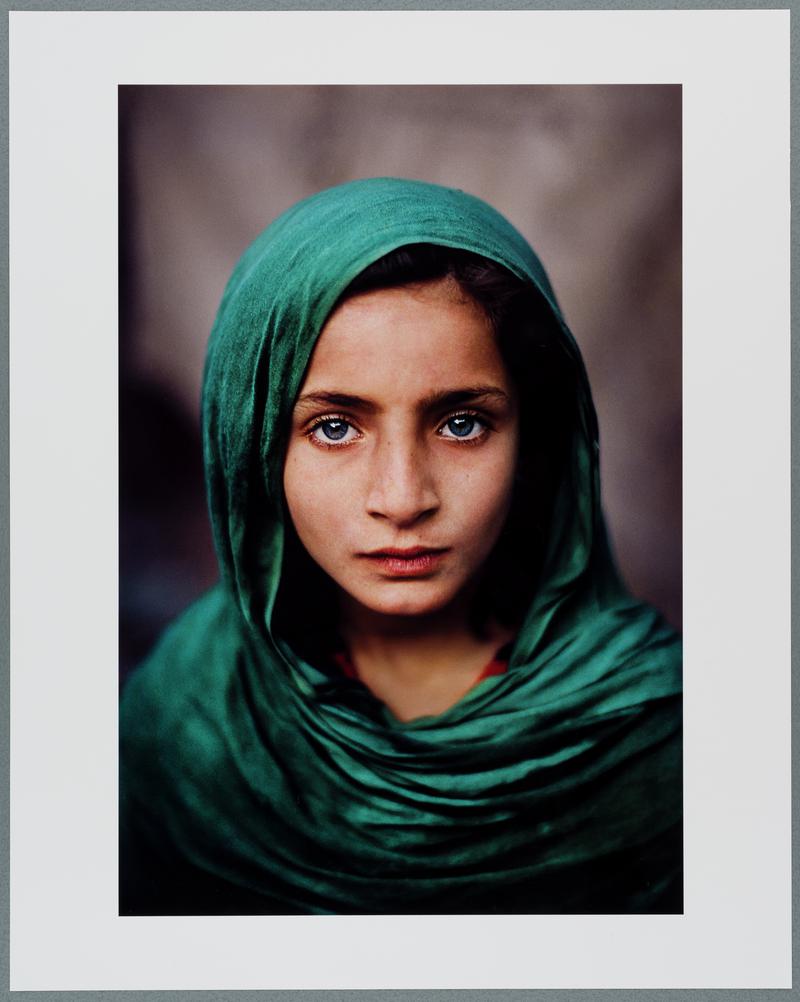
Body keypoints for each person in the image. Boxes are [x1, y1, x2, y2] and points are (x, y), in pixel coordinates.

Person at [119, 177, 682, 915]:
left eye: (461, 424)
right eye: (333, 427)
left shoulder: (654, 731)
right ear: (252, 447)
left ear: (536, 439)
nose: (404, 498)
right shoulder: (181, 723)